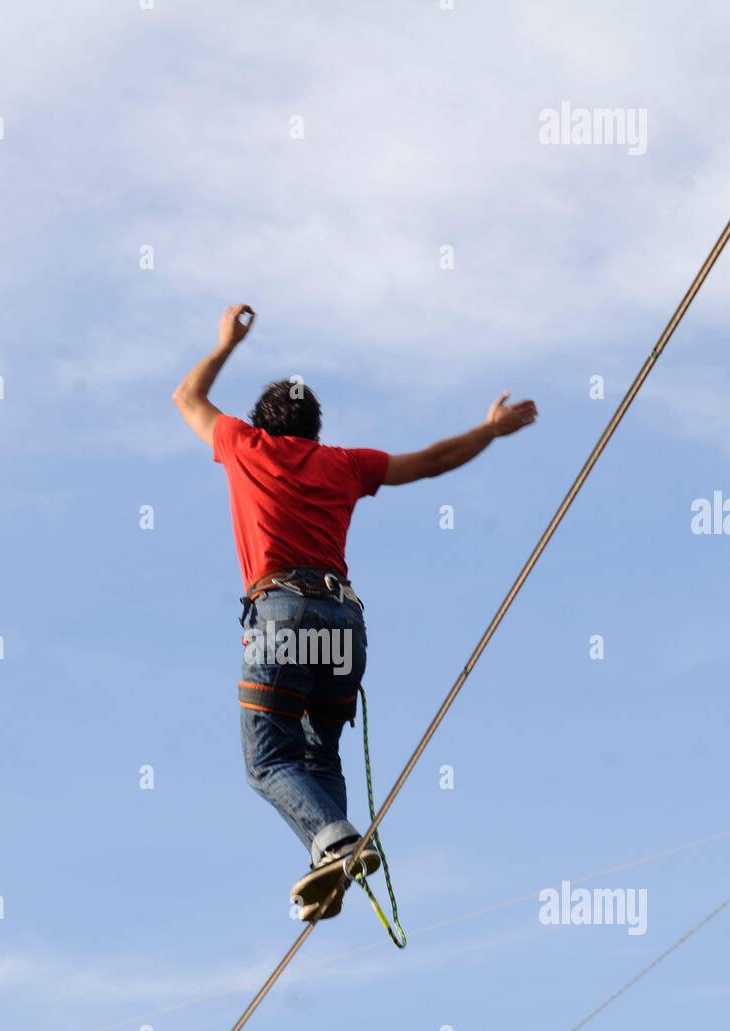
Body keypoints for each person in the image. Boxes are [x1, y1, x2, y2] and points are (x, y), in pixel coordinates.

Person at [172, 304, 537, 921]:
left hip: (282, 616)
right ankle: (330, 858)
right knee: (318, 754)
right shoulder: (344, 464)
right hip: (343, 625)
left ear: (264, 423)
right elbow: (430, 461)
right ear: (315, 429)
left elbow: (187, 395)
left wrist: (226, 342)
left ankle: (333, 842)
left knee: (267, 761)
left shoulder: (242, 444)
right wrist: (490, 431)